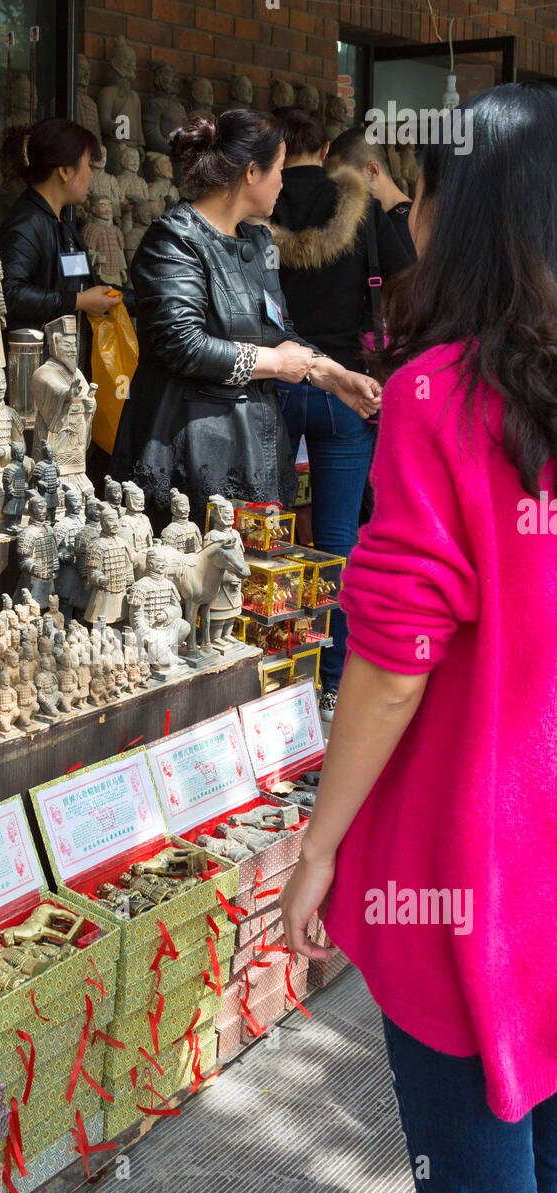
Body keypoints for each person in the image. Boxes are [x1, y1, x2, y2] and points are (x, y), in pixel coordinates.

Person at [278, 82, 557, 1193]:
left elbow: (391, 663)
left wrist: (319, 844)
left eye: (427, 191)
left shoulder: (441, 399)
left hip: (466, 872)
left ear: (471, 210)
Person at [112, 109, 380, 530]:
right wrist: (273, 364)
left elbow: (282, 332)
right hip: (190, 451)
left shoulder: (256, 239)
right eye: (278, 169)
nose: (283, 181)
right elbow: (183, 344)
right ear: (252, 172)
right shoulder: (173, 239)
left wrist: (332, 375)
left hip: (254, 448)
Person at [268, 107, 414, 729]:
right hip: (347, 386)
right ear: (326, 147)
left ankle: (267, 679)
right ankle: (328, 687)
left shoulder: (256, 203)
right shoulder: (360, 206)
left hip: (272, 382)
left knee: (265, 534)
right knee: (337, 544)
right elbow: (407, 275)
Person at [0, 117, 121, 337]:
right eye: (88, 165)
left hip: (65, 359)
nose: (91, 175)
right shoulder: (25, 224)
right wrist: (79, 301)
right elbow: (10, 294)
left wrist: (147, 298)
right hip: (34, 364)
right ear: (64, 171)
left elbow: (85, 284)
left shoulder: (63, 224)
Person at [325, 125, 416, 259]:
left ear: (372, 171)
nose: (337, 193)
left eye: (344, 182)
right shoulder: (408, 219)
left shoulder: (401, 229)